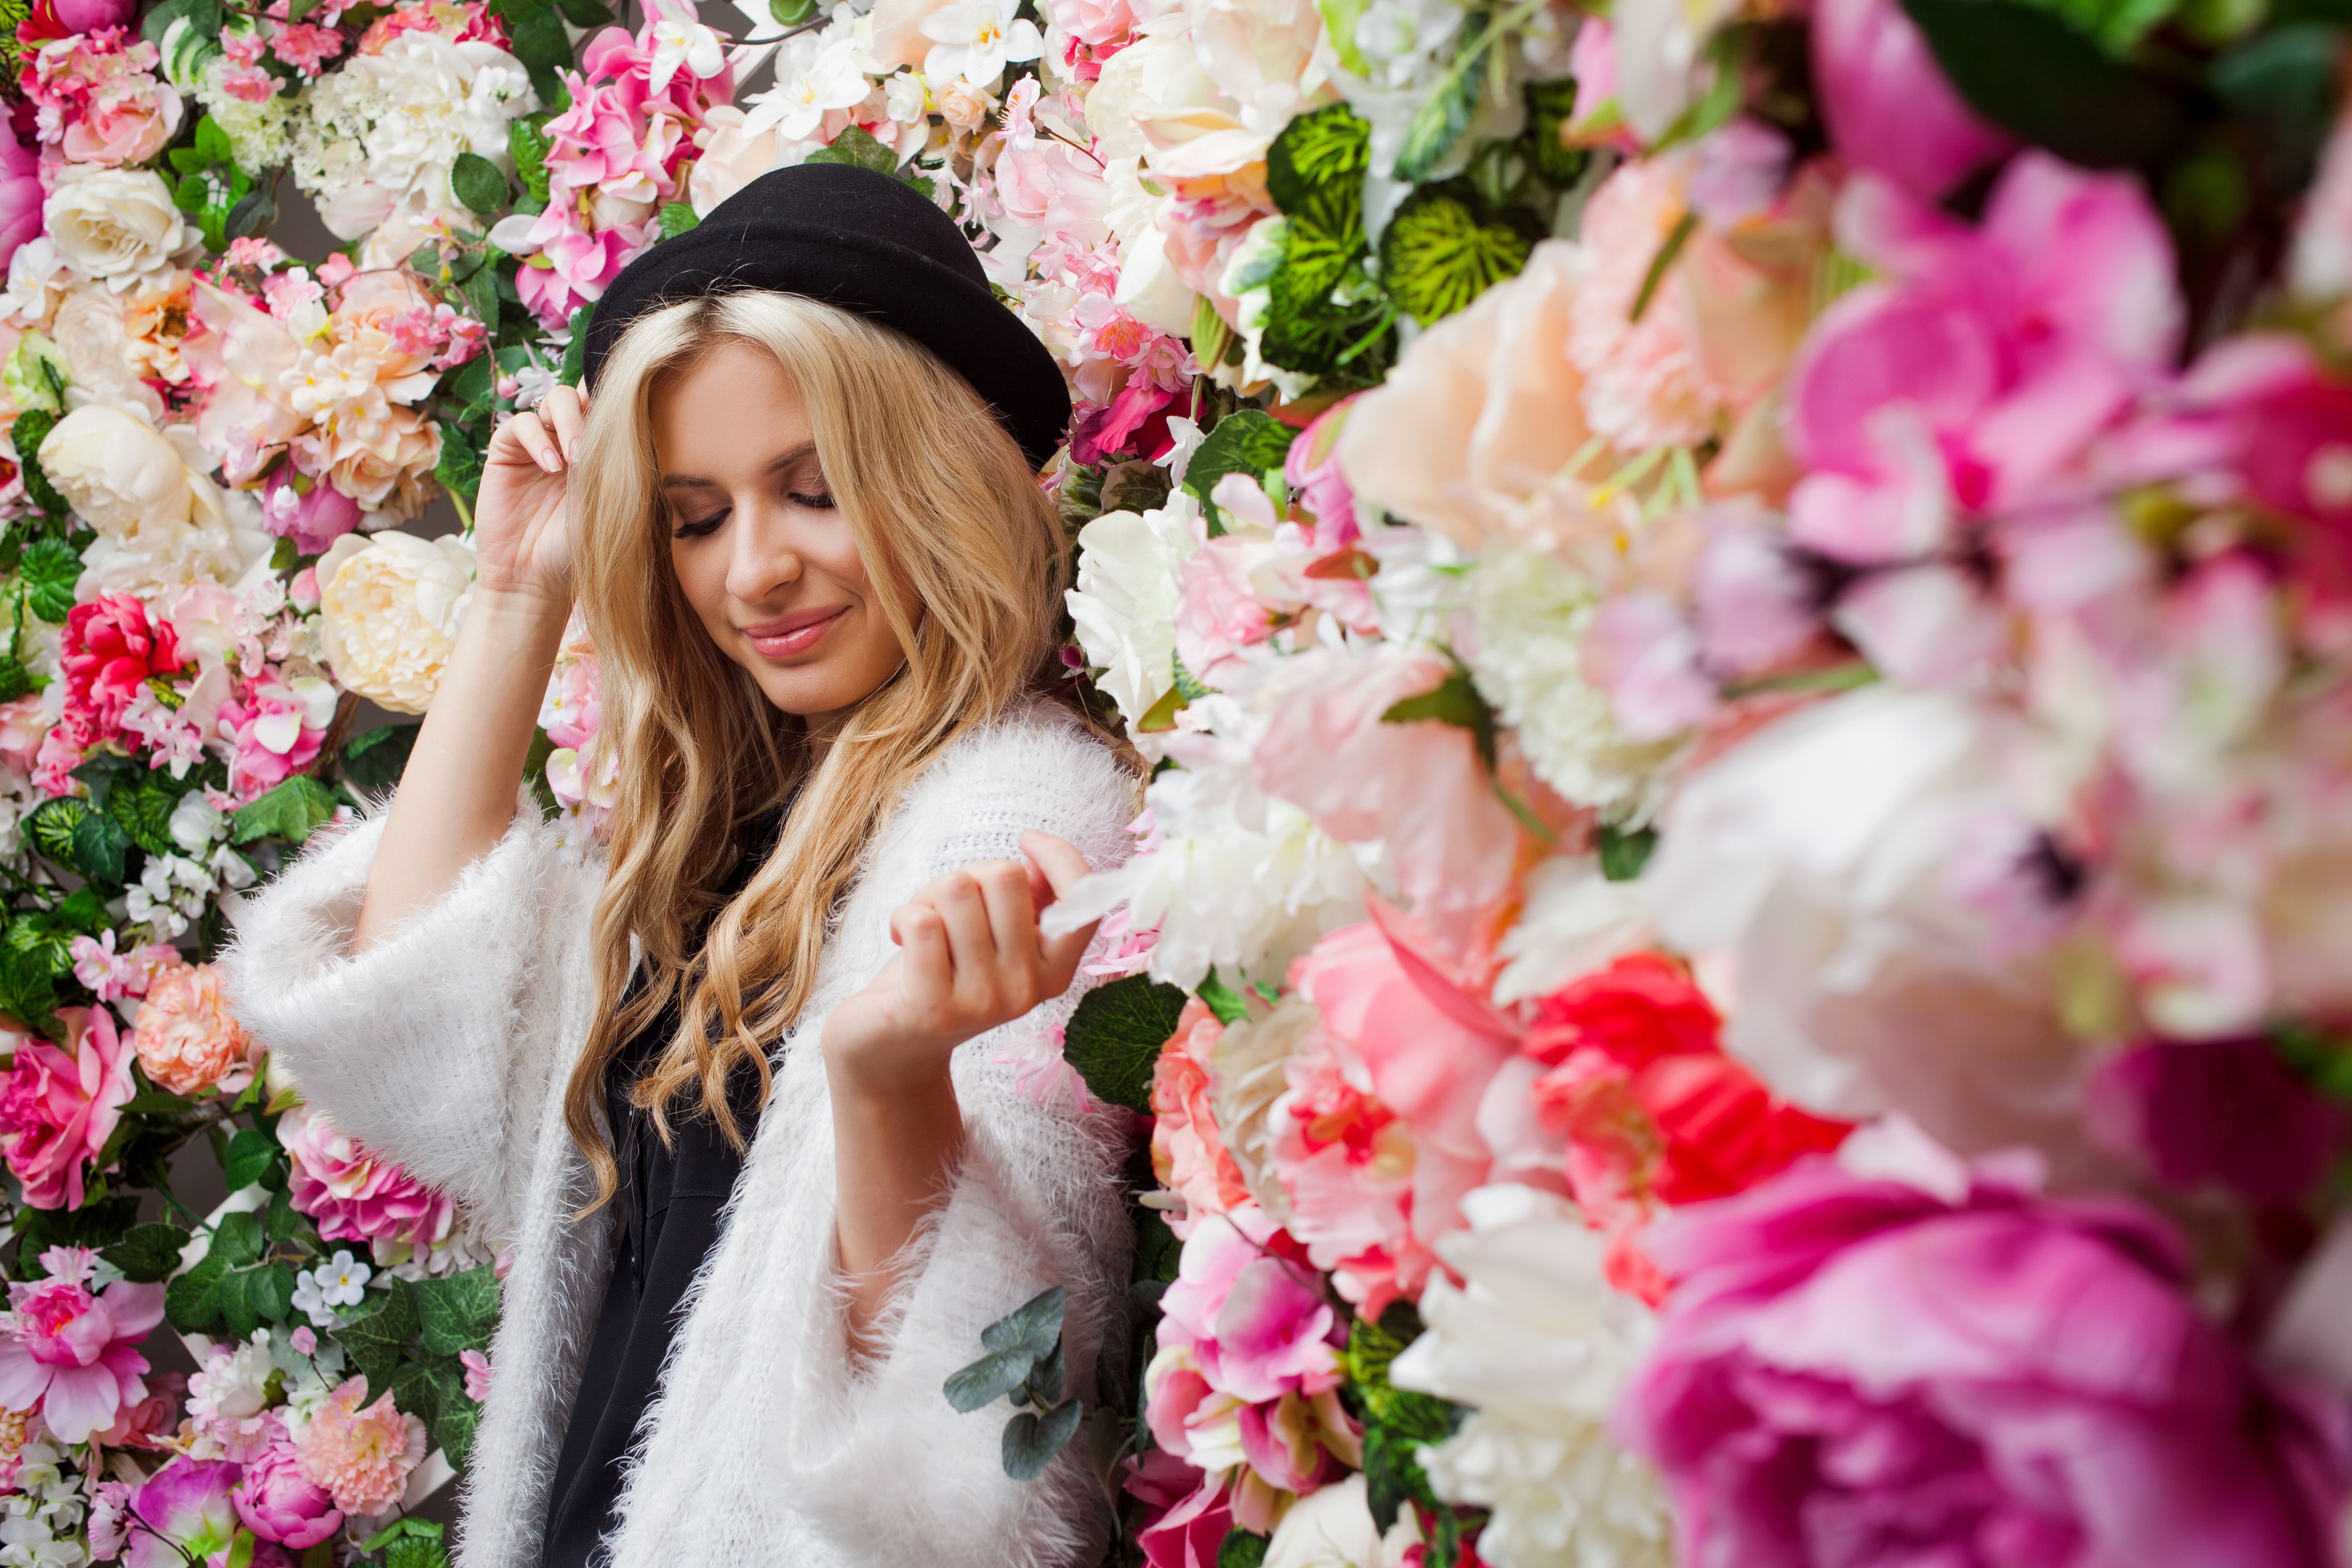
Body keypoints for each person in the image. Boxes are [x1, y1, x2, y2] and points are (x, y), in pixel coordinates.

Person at [227, 165, 1142, 1568]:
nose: (754, 572)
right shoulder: (722, 840)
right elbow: (413, 1048)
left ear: (935, 477)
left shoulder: (1015, 816)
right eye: (694, 515)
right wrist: (521, 594)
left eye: (813, 490)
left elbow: (985, 1456)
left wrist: (889, 1083)